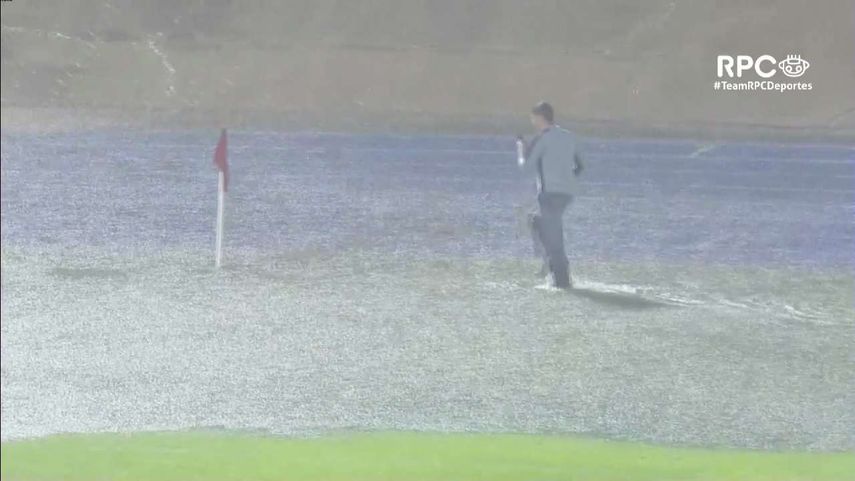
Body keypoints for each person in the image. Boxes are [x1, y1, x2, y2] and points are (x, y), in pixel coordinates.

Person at [517, 102, 583, 289]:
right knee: (538, 222)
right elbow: (581, 165)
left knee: (553, 239)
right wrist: (567, 180)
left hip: (549, 195)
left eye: (533, 118)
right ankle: (551, 265)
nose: (532, 121)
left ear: (539, 118)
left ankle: (561, 281)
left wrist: (521, 149)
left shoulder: (542, 139)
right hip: (566, 194)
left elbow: (526, 168)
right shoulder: (569, 137)